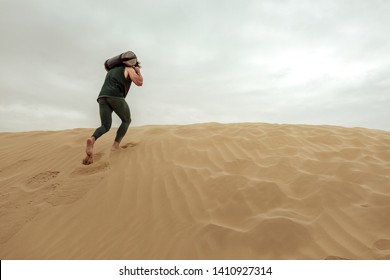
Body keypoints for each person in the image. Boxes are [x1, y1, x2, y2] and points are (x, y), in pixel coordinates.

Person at [82, 57, 143, 165]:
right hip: (115, 96)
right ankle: (115, 146)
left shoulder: (111, 71)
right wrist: (138, 72)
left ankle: (92, 139)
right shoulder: (129, 68)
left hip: (102, 97)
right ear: (132, 64)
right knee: (126, 120)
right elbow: (139, 82)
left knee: (105, 125)